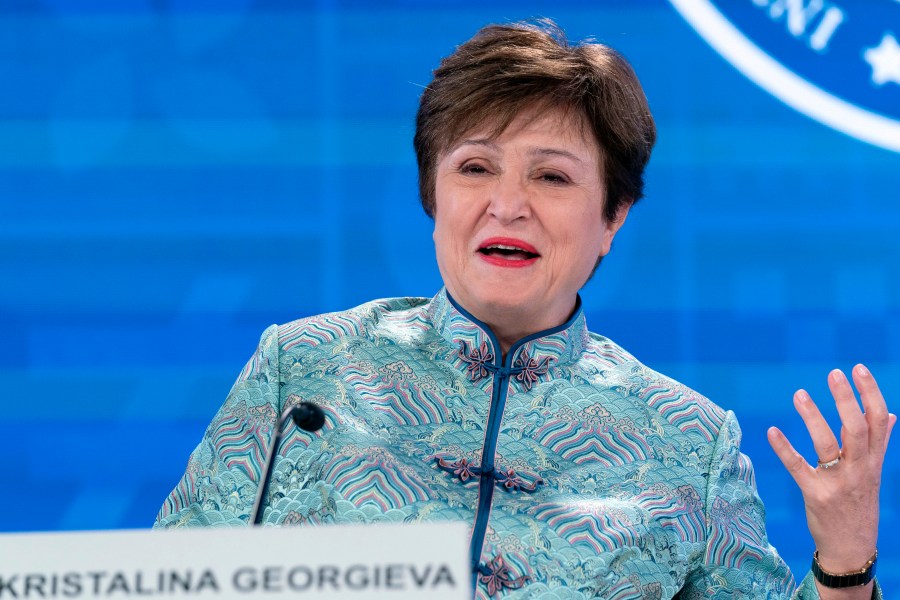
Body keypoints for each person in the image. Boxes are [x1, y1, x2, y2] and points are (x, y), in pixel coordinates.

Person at [154, 20, 894, 599]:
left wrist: (844, 560)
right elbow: (164, 584)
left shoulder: (690, 444)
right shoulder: (302, 373)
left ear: (614, 216)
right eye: (475, 168)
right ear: (432, 196)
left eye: (552, 177)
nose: (508, 205)